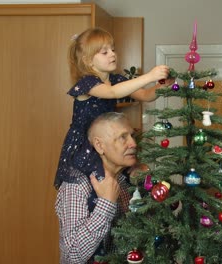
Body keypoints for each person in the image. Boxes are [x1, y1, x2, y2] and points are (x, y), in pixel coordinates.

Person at [54, 27, 172, 189]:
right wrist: (149, 76)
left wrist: (164, 85)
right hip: (86, 145)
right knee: (92, 186)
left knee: (116, 183)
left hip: (107, 141)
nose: (112, 54)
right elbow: (111, 92)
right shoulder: (87, 83)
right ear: (88, 60)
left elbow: (145, 95)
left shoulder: (116, 79)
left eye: (113, 49)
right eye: (104, 52)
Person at [55, 112, 138, 263]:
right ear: (99, 145)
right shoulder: (77, 185)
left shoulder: (126, 180)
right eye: (123, 137)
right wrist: (106, 204)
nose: (133, 143)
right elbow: (72, 256)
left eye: (132, 136)